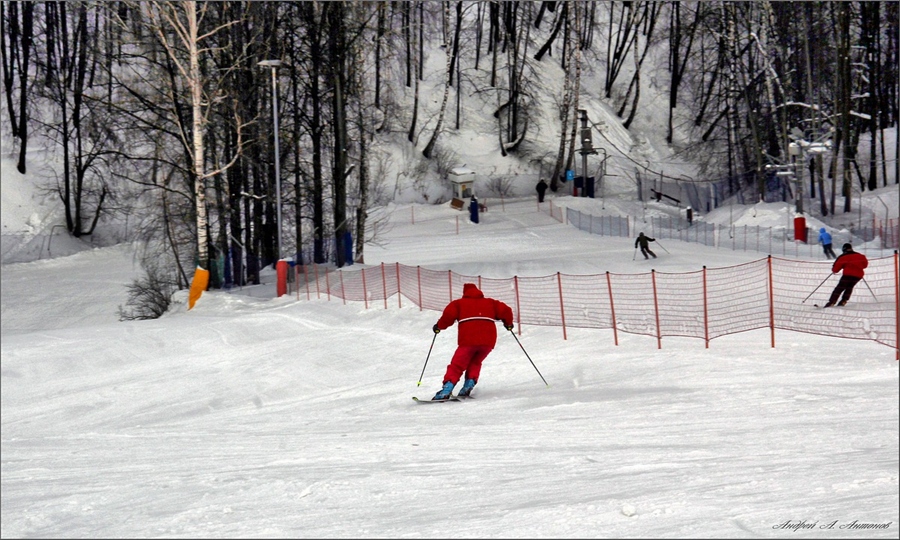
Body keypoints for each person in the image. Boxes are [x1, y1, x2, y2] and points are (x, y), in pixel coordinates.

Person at [431, 283, 514, 400]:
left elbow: (448, 316)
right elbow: (506, 310)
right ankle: (468, 385)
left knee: (457, 365)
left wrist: (439, 326)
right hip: (488, 341)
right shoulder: (491, 303)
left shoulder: (459, 303)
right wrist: (508, 324)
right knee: (475, 362)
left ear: (465, 293)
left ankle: (446, 389)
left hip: (468, 341)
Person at [823, 243, 868, 308]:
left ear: (844, 249)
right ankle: (844, 300)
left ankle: (832, 302)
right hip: (858, 276)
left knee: (839, 288)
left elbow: (835, 269)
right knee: (849, 287)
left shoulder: (843, 256)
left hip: (847, 275)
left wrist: (835, 269)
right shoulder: (860, 256)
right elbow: (865, 265)